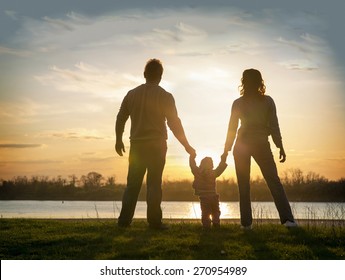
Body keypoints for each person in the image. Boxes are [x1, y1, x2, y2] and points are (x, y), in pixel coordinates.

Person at [115, 58, 196, 229]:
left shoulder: (131, 94)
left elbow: (121, 118)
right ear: (160, 76)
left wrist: (118, 139)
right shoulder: (165, 96)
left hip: (137, 145)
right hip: (157, 146)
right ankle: (154, 222)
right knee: (154, 184)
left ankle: (124, 222)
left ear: (144, 74)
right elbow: (174, 123)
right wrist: (187, 146)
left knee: (132, 185)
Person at [223, 68, 297, 229]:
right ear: (259, 82)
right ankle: (288, 220)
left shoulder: (239, 103)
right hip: (259, 144)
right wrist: (280, 146)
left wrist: (226, 150)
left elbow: (232, 129)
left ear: (244, 82)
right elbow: (274, 126)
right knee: (273, 181)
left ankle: (246, 224)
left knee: (244, 185)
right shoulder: (267, 101)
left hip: (243, 145)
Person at [189, 153, 227, 229]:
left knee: (205, 212)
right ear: (212, 165)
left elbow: (192, 165)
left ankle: (206, 226)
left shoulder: (197, 172)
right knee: (215, 211)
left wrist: (192, 156)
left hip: (204, 198)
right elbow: (221, 167)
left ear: (201, 164)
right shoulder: (213, 173)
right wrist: (223, 159)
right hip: (213, 197)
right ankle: (216, 223)